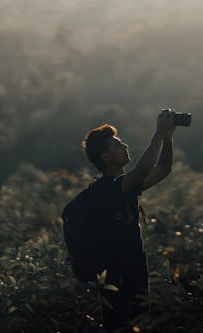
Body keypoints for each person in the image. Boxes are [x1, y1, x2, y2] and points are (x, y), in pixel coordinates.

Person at [80, 109, 176, 332]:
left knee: (140, 323)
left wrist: (168, 139)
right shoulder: (105, 189)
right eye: (117, 145)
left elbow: (163, 169)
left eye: (121, 142)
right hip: (117, 274)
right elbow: (142, 170)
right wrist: (158, 135)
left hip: (134, 268)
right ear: (106, 158)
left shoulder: (124, 186)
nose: (124, 146)